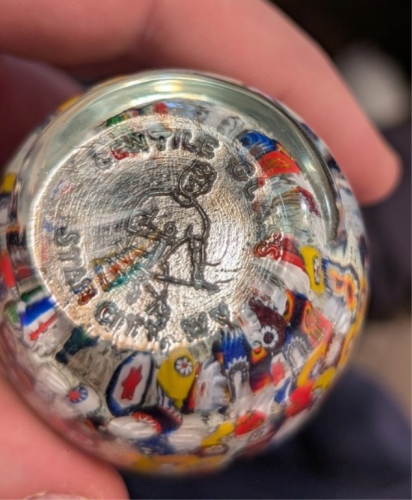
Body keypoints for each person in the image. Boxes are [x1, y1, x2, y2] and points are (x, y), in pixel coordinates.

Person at [0, 1, 408, 499]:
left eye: (199, 180)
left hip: (230, 383)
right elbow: (131, 222)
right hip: (116, 361)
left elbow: (194, 261)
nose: (193, 185)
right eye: (190, 179)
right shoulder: (152, 199)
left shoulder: (200, 218)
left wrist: (194, 280)